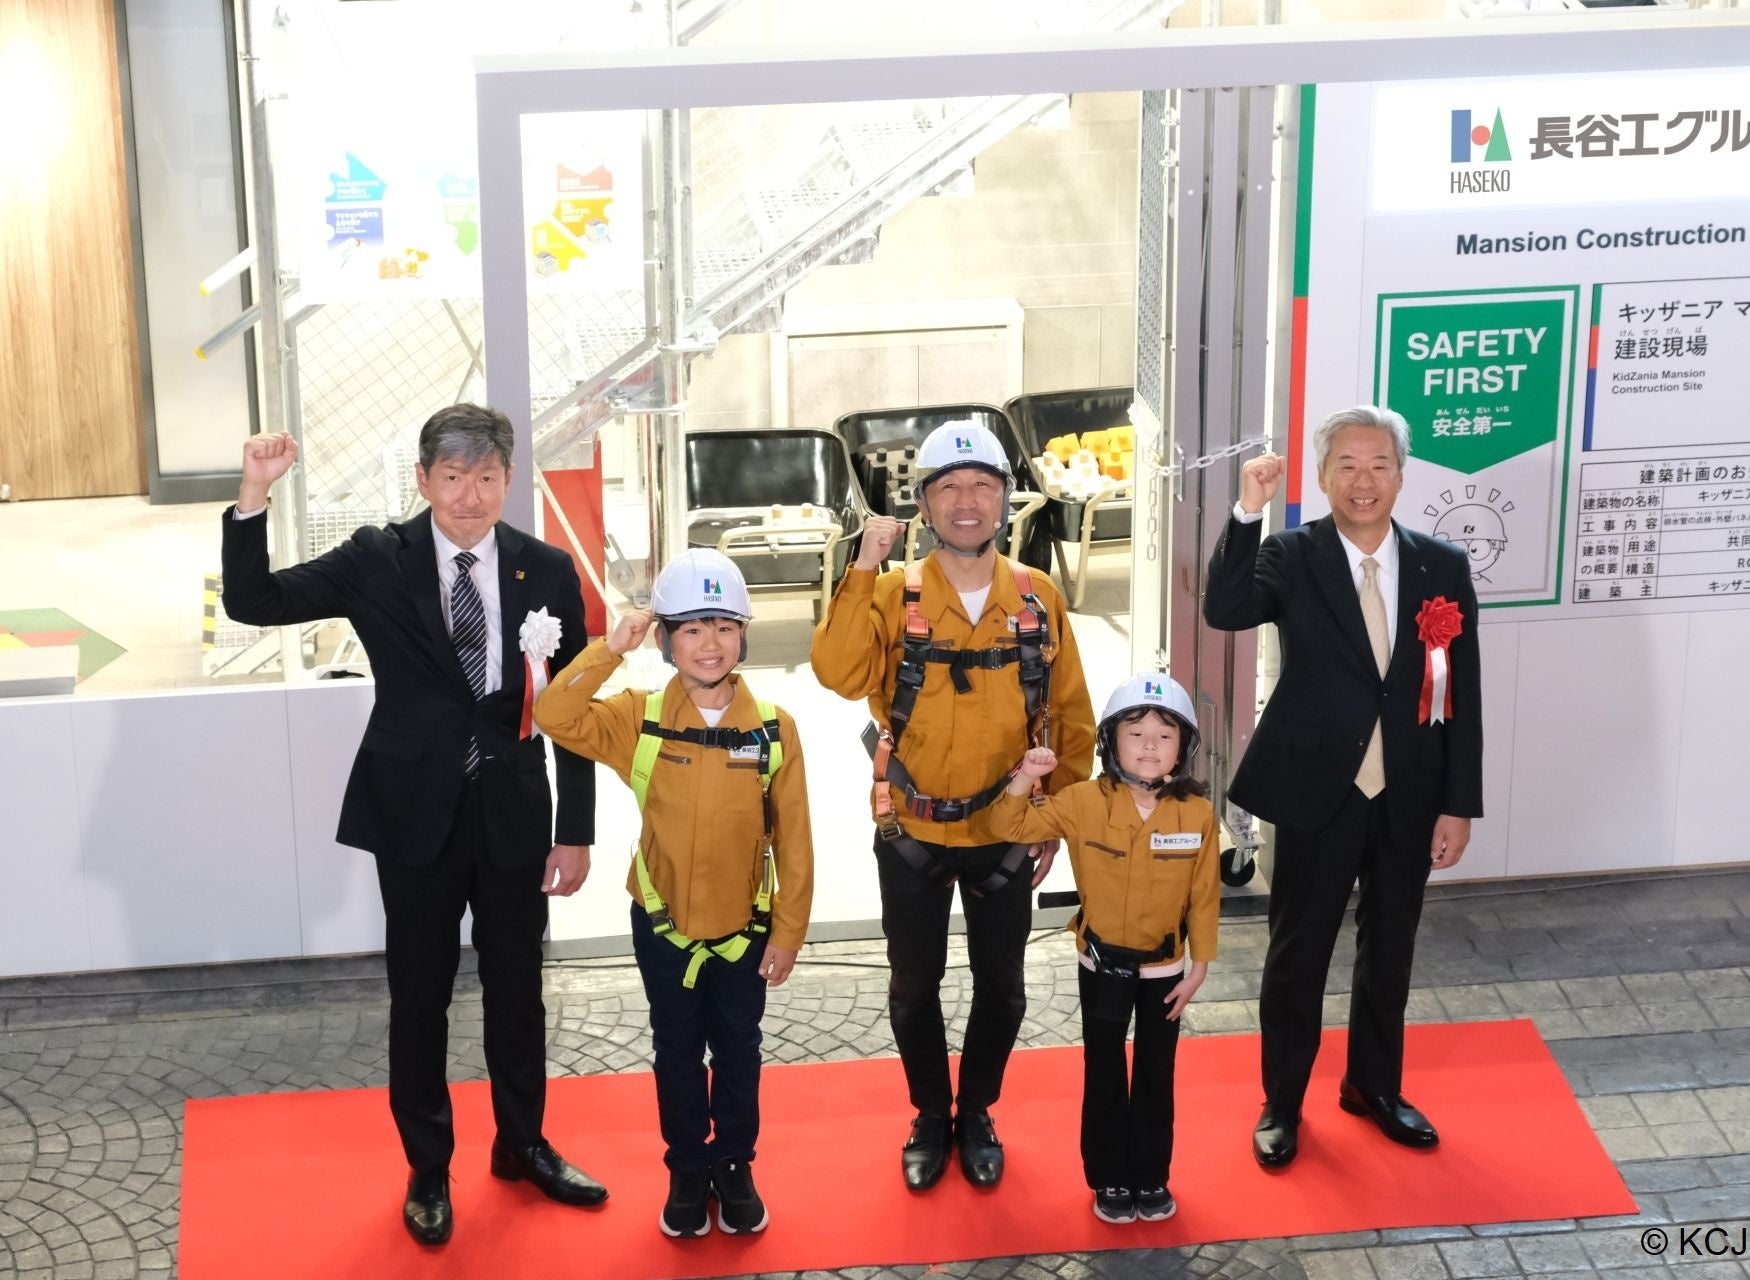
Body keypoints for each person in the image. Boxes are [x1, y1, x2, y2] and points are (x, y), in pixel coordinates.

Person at [220, 405, 607, 1246]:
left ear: (507, 480)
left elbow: (574, 708)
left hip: (514, 815)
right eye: (454, 477)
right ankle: (428, 1167)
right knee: (420, 997)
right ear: (425, 479)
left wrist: (575, 830)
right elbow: (254, 601)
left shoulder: (545, 568)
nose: (470, 496)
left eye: (487, 477)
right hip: (413, 815)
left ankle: (524, 1144)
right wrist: (253, 494)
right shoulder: (378, 558)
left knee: (518, 993)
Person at [811, 422, 1096, 1192]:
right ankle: (930, 1114)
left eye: (982, 486)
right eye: (949, 488)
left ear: (1005, 499)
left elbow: (1072, 716)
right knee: (914, 986)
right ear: (925, 504)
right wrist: (859, 566)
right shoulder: (887, 595)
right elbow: (837, 673)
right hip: (913, 830)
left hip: (1008, 830)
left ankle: (976, 1112)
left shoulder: (1036, 598)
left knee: (1003, 986)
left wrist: (1061, 817)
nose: (967, 502)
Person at [1203, 405, 1482, 1169]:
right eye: (1347, 466)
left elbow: (1459, 692)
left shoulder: (1440, 566)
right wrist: (1247, 511)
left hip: (1410, 796)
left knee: (1390, 952)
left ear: (1401, 475)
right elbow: (1226, 608)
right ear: (1323, 477)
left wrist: (1458, 802)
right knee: (1299, 957)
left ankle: (1373, 1087)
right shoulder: (1292, 554)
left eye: (1379, 465)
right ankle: (1283, 1103)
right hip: (1316, 792)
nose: (1364, 480)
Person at [534, 548, 813, 1239]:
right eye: (690, 628)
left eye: (724, 626)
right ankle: (688, 1167)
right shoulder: (640, 718)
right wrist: (610, 649)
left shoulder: (772, 728)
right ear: (664, 638)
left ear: (743, 634)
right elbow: (554, 714)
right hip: (663, 929)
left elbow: (795, 843)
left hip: (745, 932)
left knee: (740, 1053)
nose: (709, 643)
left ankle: (735, 1164)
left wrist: (787, 933)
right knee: (677, 1052)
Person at [987, 673, 1219, 1225]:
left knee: (1157, 1073)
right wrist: (1028, 776)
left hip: (1165, 969)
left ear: (1184, 747)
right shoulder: (1081, 802)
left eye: (1165, 736)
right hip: (1101, 964)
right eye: (1135, 733)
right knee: (1105, 1070)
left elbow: (1205, 894)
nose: (1149, 746)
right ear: (1111, 742)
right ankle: (1109, 1175)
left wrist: (1199, 966)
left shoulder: (1197, 814)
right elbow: (1006, 822)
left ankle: (1151, 1174)